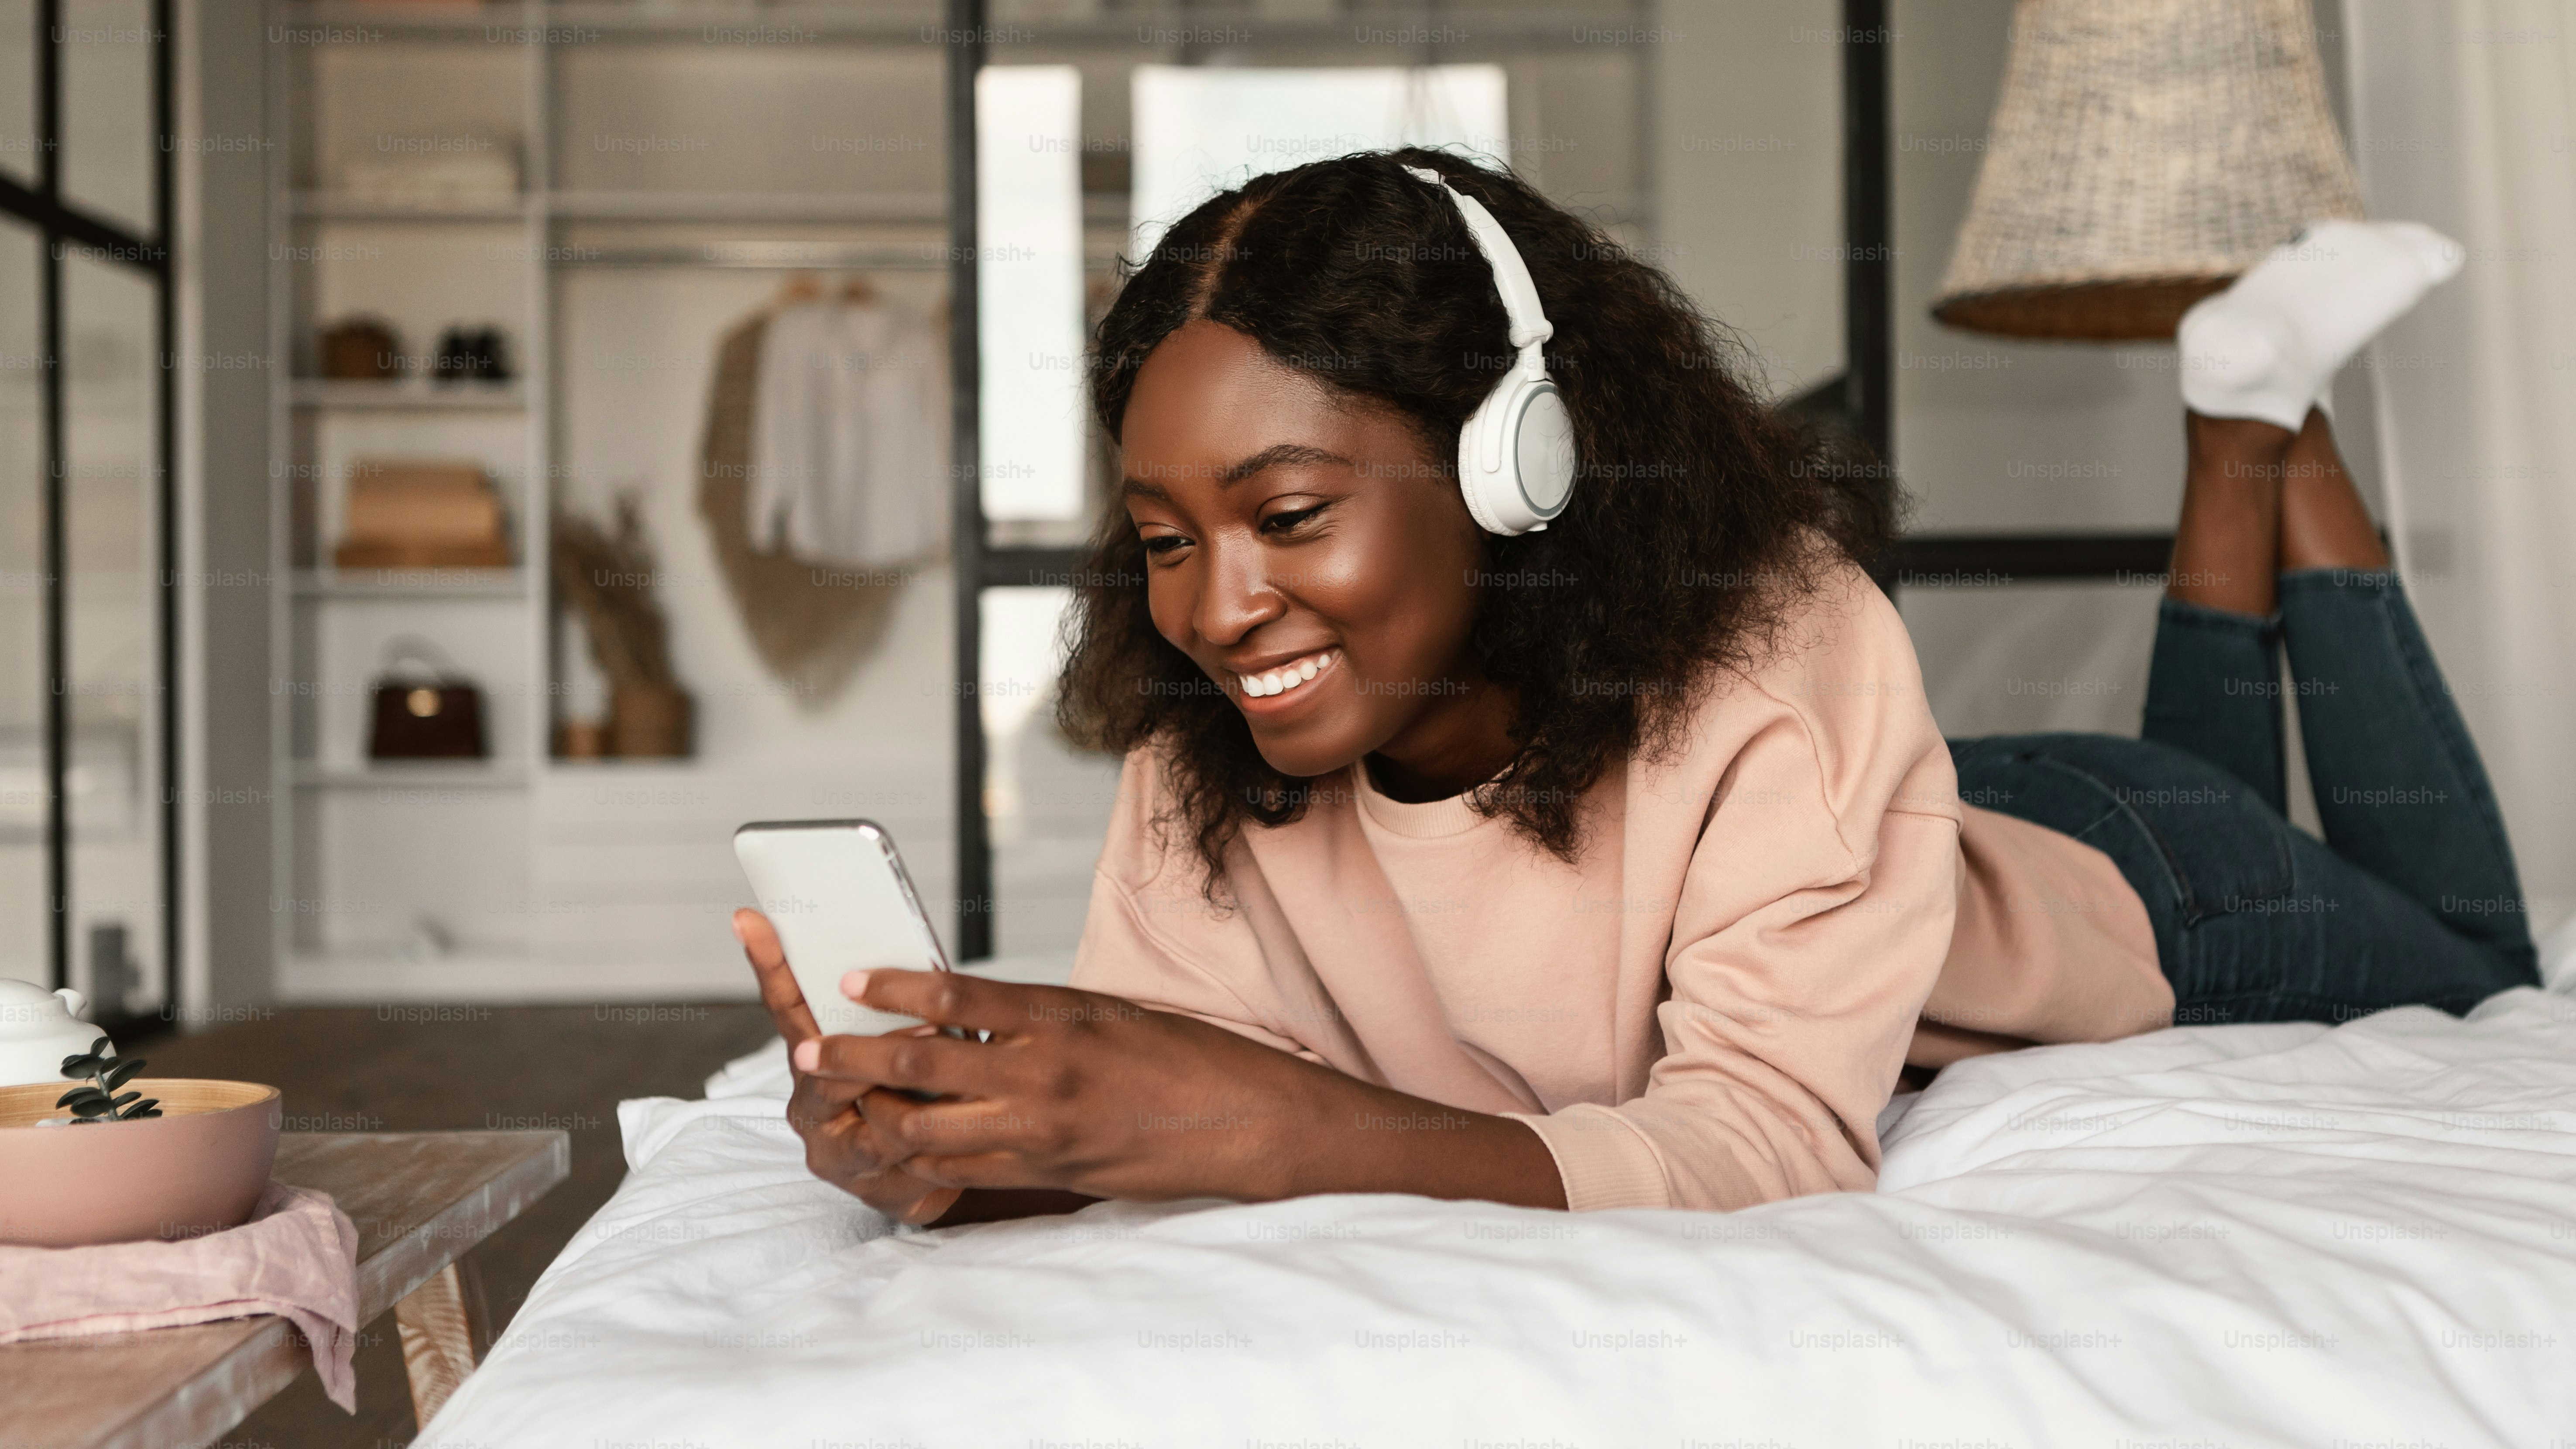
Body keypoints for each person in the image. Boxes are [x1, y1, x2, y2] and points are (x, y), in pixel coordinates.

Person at [732, 151, 2538, 1228]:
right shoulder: (1226, 728)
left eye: (1287, 512)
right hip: (1846, 842)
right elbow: (1196, 1079)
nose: (1218, 603)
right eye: (1165, 537)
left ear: (1520, 461)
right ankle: (2240, 418)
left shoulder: (1772, 638)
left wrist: (1255, 1122)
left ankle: (2258, 438)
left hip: (2122, 875)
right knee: (2210, 758)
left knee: (2482, 957)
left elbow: (1759, 1134)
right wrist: (983, 1151)